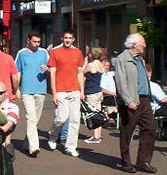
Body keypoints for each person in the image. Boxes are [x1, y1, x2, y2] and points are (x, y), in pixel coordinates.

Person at [114, 33, 158, 173]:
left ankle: (143, 161)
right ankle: (126, 162)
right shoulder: (123, 59)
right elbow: (121, 82)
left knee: (150, 127)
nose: (145, 45)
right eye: (142, 43)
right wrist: (128, 100)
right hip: (131, 100)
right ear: (134, 45)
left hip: (144, 100)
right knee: (127, 131)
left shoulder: (140, 59)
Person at [46, 29, 85, 158]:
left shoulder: (78, 53)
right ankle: (53, 135)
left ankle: (71, 147)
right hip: (61, 90)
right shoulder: (55, 52)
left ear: (73, 39)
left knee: (74, 120)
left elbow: (80, 73)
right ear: (62, 38)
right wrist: (54, 93)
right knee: (61, 118)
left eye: (70, 38)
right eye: (66, 38)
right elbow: (52, 74)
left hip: (74, 90)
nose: (68, 40)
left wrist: (82, 91)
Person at [14, 30, 50, 157]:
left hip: (40, 90)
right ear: (28, 40)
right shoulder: (22, 53)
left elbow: (52, 68)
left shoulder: (44, 52)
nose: (37, 44)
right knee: (31, 117)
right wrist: (16, 88)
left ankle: (26, 143)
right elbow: (17, 72)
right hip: (27, 91)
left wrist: (48, 69)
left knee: (35, 120)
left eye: (39, 42)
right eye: (34, 41)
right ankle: (34, 147)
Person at [82, 47, 105, 144]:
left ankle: (95, 136)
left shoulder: (91, 65)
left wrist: (85, 61)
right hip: (99, 92)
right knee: (98, 112)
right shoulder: (101, 65)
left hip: (91, 92)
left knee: (93, 114)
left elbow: (80, 73)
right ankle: (98, 135)